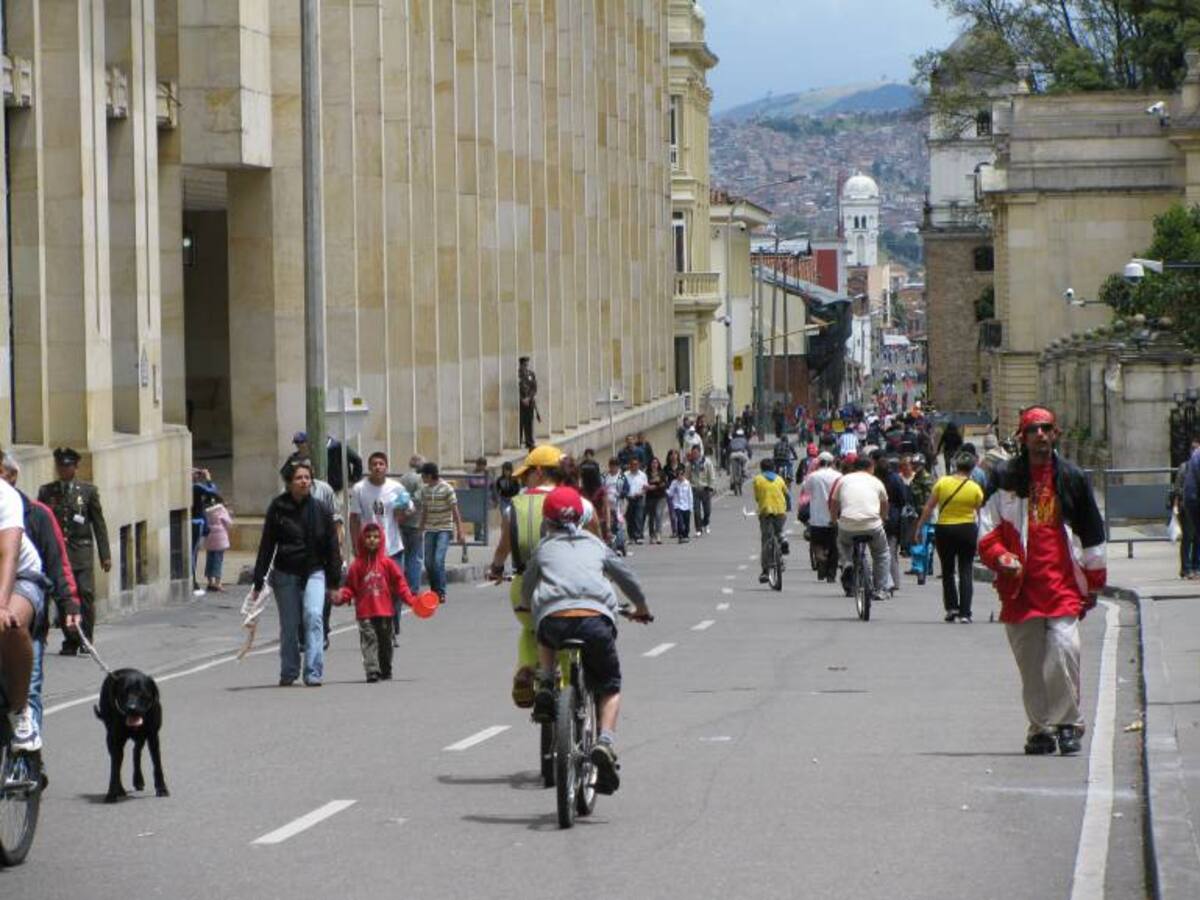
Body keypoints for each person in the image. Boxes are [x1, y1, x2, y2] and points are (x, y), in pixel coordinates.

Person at [977, 406, 1106, 756]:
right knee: (1031, 664)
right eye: (1033, 430)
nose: (1040, 435)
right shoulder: (1003, 477)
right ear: (1022, 437)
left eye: (1046, 428)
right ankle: (1040, 728)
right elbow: (987, 530)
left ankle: (1068, 723)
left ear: (1055, 434)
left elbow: (1093, 533)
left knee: (1064, 651)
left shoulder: (1073, 478)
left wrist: (1095, 580)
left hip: (1063, 585)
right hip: (1019, 589)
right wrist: (1000, 557)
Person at [525, 486, 653, 795]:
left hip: (554, 622)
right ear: (582, 517)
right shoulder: (596, 545)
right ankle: (605, 742)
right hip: (595, 622)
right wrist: (641, 608)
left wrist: (531, 606)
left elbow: (528, 588)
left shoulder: (543, 548)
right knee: (609, 685)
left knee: (542, 626)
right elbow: (627, 578)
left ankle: (546, 682)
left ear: (546, 520)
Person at [2, 454, 78, 741]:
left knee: (28, 682)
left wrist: (69, 602)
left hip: (23, 584)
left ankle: (26, 732)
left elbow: (56, 563)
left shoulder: (33, 512)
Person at [250, 462, 342, 687]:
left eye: (307, 478)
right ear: (289, 483)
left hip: (314, 570)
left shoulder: (321, 509)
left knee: (313, 615)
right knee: (290, 624)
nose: (304, 482)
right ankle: (289, 670)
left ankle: (313, 671)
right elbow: (267, 544)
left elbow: (332, 546)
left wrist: (334, 582)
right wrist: (259, 580)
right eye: (299, 478)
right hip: (286, 572)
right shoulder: (278, 508)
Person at [38, 447, 110, 655]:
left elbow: (99, 524)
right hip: (58, 553)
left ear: (75, 467)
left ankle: (86, 638)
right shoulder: (47, 492)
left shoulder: (88, 491)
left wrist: (105, 555)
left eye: (67, 466)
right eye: (60, 466)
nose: (63, 469)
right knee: (64, 597)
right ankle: (70, 639)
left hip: (81, 551)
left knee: (85, 593)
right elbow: (40, 521)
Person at [0, 464, 47, 753]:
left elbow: (9, 555)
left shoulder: (4, 496)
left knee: (8, 624)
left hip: (18, 577)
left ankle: (21, 712)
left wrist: (1, 605)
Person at [336, 523, 416, 683]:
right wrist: (341, 597)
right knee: (369, 640)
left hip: (385, 612)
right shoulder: (357, 566)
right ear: (362, 539)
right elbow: (350, 587)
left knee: (386, 643)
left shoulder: (388, 564)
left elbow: (400, 584)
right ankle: (372, 670)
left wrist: (411, 600)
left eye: (376, 537)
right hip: (365, 613)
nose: (372, 540)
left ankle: (385, 668)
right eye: (368, 537)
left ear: (381, 539)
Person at [914, 452, 985, 622]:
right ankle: (965, 613)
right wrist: (981, 535)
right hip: (967, 529)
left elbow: (929, 507)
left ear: (955, 466)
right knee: (966, 569)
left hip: (945, 529)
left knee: (947, 570)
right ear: (972, 469)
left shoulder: (942, 482)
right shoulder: (975, 488)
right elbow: (981, 514)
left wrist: (919, 527)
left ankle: (952, 608)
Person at [350, 451, 413, 639]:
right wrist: (355, 545)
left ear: (386, 467)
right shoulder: (359, 488)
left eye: (381, 464)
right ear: (369, 467)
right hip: (369, 550)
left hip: (393, 548)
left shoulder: (397, 488)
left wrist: (403, 512)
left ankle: (393, 625)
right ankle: (376, 629)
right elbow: (354, 518)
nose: (378, 467)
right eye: (374, 464)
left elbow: (408, 509)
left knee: (395, 590)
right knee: (372, 591)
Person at [829, 456, 890, 605]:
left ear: (854, 468)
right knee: (881, 554)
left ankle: (847, 563)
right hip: (872, 525)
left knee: (842, 542)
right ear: (871, 467)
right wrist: (882, 519)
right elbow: (884, 504)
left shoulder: (843, 480)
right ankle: (881, 589)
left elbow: (834, 503)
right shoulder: (876, 481)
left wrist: (834, 521)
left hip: (847, 524)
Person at [419, 462, 465, 604]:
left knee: (438, 560)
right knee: (428, 562)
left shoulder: (447, 488)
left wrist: (460, 530)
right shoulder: (425, 490)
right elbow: (425, 510)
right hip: (430, 529)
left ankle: (440, 592)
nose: (421, 478)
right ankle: (434, 590)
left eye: (423, 475)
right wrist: (421, 528)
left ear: (429, 476)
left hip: (444, 529)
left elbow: (455, 510)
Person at [801, 451, 841, 582]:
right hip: (834, 517)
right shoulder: (838, 476)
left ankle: (821, 559)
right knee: (834, 547)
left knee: (817, 543)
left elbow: (806, 490)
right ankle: (831, 575)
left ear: (819, 463)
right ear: (832, 462)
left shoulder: (813, 476)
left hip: (817, 517)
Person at [753, 459, 791, 583]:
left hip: (766, 512)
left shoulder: (757, 479)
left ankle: (765, 571)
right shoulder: (779, 479)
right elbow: (787, 494)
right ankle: (783, 540)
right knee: (778, 531)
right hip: (780, 511)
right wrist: (788, 507)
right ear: (774, 468)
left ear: (761, 468)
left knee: (766, 540)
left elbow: (757, 497)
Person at [399, 456, 426, 592]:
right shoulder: (420, 479)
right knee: (415, 557)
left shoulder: (403, 478)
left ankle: (402, 586)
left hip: (402, 521)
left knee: (403, 555)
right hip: (416, 522)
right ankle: (413, 588)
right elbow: (419, 498)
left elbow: (399, 498)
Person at [203, 494, 233, 592]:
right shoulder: (221, 510)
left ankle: (210, 582)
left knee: (209, 560)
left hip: (209, 538)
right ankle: (218, 583)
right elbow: (228, 523)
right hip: (220, 538)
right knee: (218, 561)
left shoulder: (206, 511)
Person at [688, 446, 716, 535]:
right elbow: (687, 476)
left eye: (696, 453)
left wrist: (711, 486)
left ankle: (706, 523)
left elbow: (711, 475)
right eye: (693, 453)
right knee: (696, 511)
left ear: (700, 453)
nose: (694, 455)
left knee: (707, 511)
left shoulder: (707, 462)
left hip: (705, 488)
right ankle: (698, 529)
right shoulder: (690, 464)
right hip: (694, 489)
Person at [623, 457, 649, 545]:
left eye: (636, 464)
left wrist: (641, 493)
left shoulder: (643, 475)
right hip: (628, 499)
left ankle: (638, 536)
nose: (634, 466)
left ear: (638, 465)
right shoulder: (625, 475)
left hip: (639, 498)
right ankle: (631, 537)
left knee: (639, 517)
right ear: (629, 465)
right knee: (629, 518)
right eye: (632, 464)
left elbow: (645, 487)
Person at [644, 457, 668, 545]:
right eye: (653, 463)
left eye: (656, 463)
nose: (654, 464)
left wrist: (655, 486)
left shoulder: (662, 473)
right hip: (650, 497)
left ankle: (658, 534)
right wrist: (648, 487)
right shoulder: (646, 474)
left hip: (660, 497)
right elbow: (644, 484)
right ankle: (652, 535)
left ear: (658, 464)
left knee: (658, 515)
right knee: (651, 517)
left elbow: (664, 484)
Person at [666, 467, 693, 542]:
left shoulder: (687, 483)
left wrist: (691, 507)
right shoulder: (674, 483)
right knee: (680, 521)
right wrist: (666, 490)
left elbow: (690, 496)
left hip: (686, 505)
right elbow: (670, 493)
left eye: (681, 474)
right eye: (678, 474)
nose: (679, 476)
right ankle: (680, 535)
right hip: (677, 505)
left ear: (684, 474)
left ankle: (686, 535)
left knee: (686, 521)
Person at [519, 356, 538, 450]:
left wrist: (528, 398)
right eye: (524, 365)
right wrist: (522, 399)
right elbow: (514, 389)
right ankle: (518, 440)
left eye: (527, 365)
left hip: (529, 402)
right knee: (520, 422)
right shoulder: (517, 375)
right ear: (521, 365)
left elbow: (534, 388)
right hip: (520, 403)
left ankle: (529, 441)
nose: (526, 367)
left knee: (529, 422)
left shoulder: (531, 374)